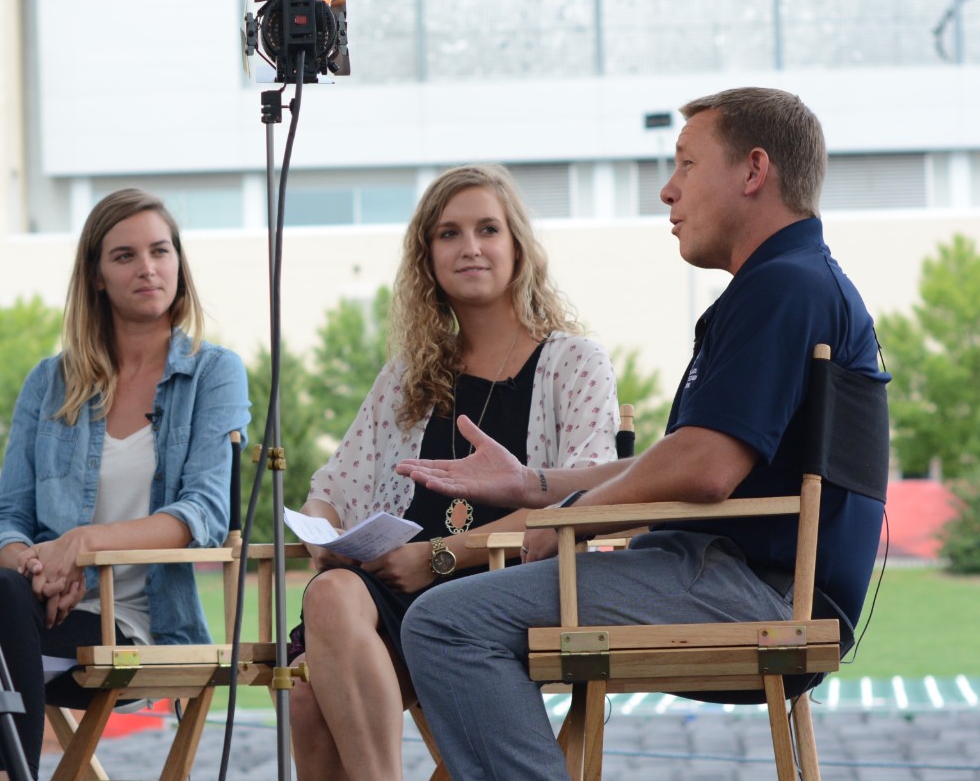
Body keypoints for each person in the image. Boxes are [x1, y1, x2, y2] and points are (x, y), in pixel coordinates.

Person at [395, 88, 888, 781]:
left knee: (446, 625)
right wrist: (534, 485)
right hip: (734, 573)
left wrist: (563, 519)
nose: (667, 190)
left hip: (751, 588)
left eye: (686, 164)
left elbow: (705, 468)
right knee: (467, 619)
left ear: (753, 172)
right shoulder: (792, 283)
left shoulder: (785, 288)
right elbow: (684, 458)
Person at [288, 165, 620, 781]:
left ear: (517, 247)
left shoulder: (574, 362)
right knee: (328, 596)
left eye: (487, 229)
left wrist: (439, 556)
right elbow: (333, 490)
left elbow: (579, 499)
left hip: (511, 591)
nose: (470, 247)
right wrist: (319, 532)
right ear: (428, 258)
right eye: (449, 234)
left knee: (312, 698)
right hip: (396, 587)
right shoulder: (410, 375)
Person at [0, 189, 250, 779]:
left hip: (139, 623)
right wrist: (33, 565)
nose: (147, 268)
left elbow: (203, 512)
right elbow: (6, 514)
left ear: (179, 265)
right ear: (98, 276)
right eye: (125, 255)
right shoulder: (51, 381)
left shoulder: (214, 372)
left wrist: (82, 543)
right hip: (35, 609)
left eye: (160, 251)